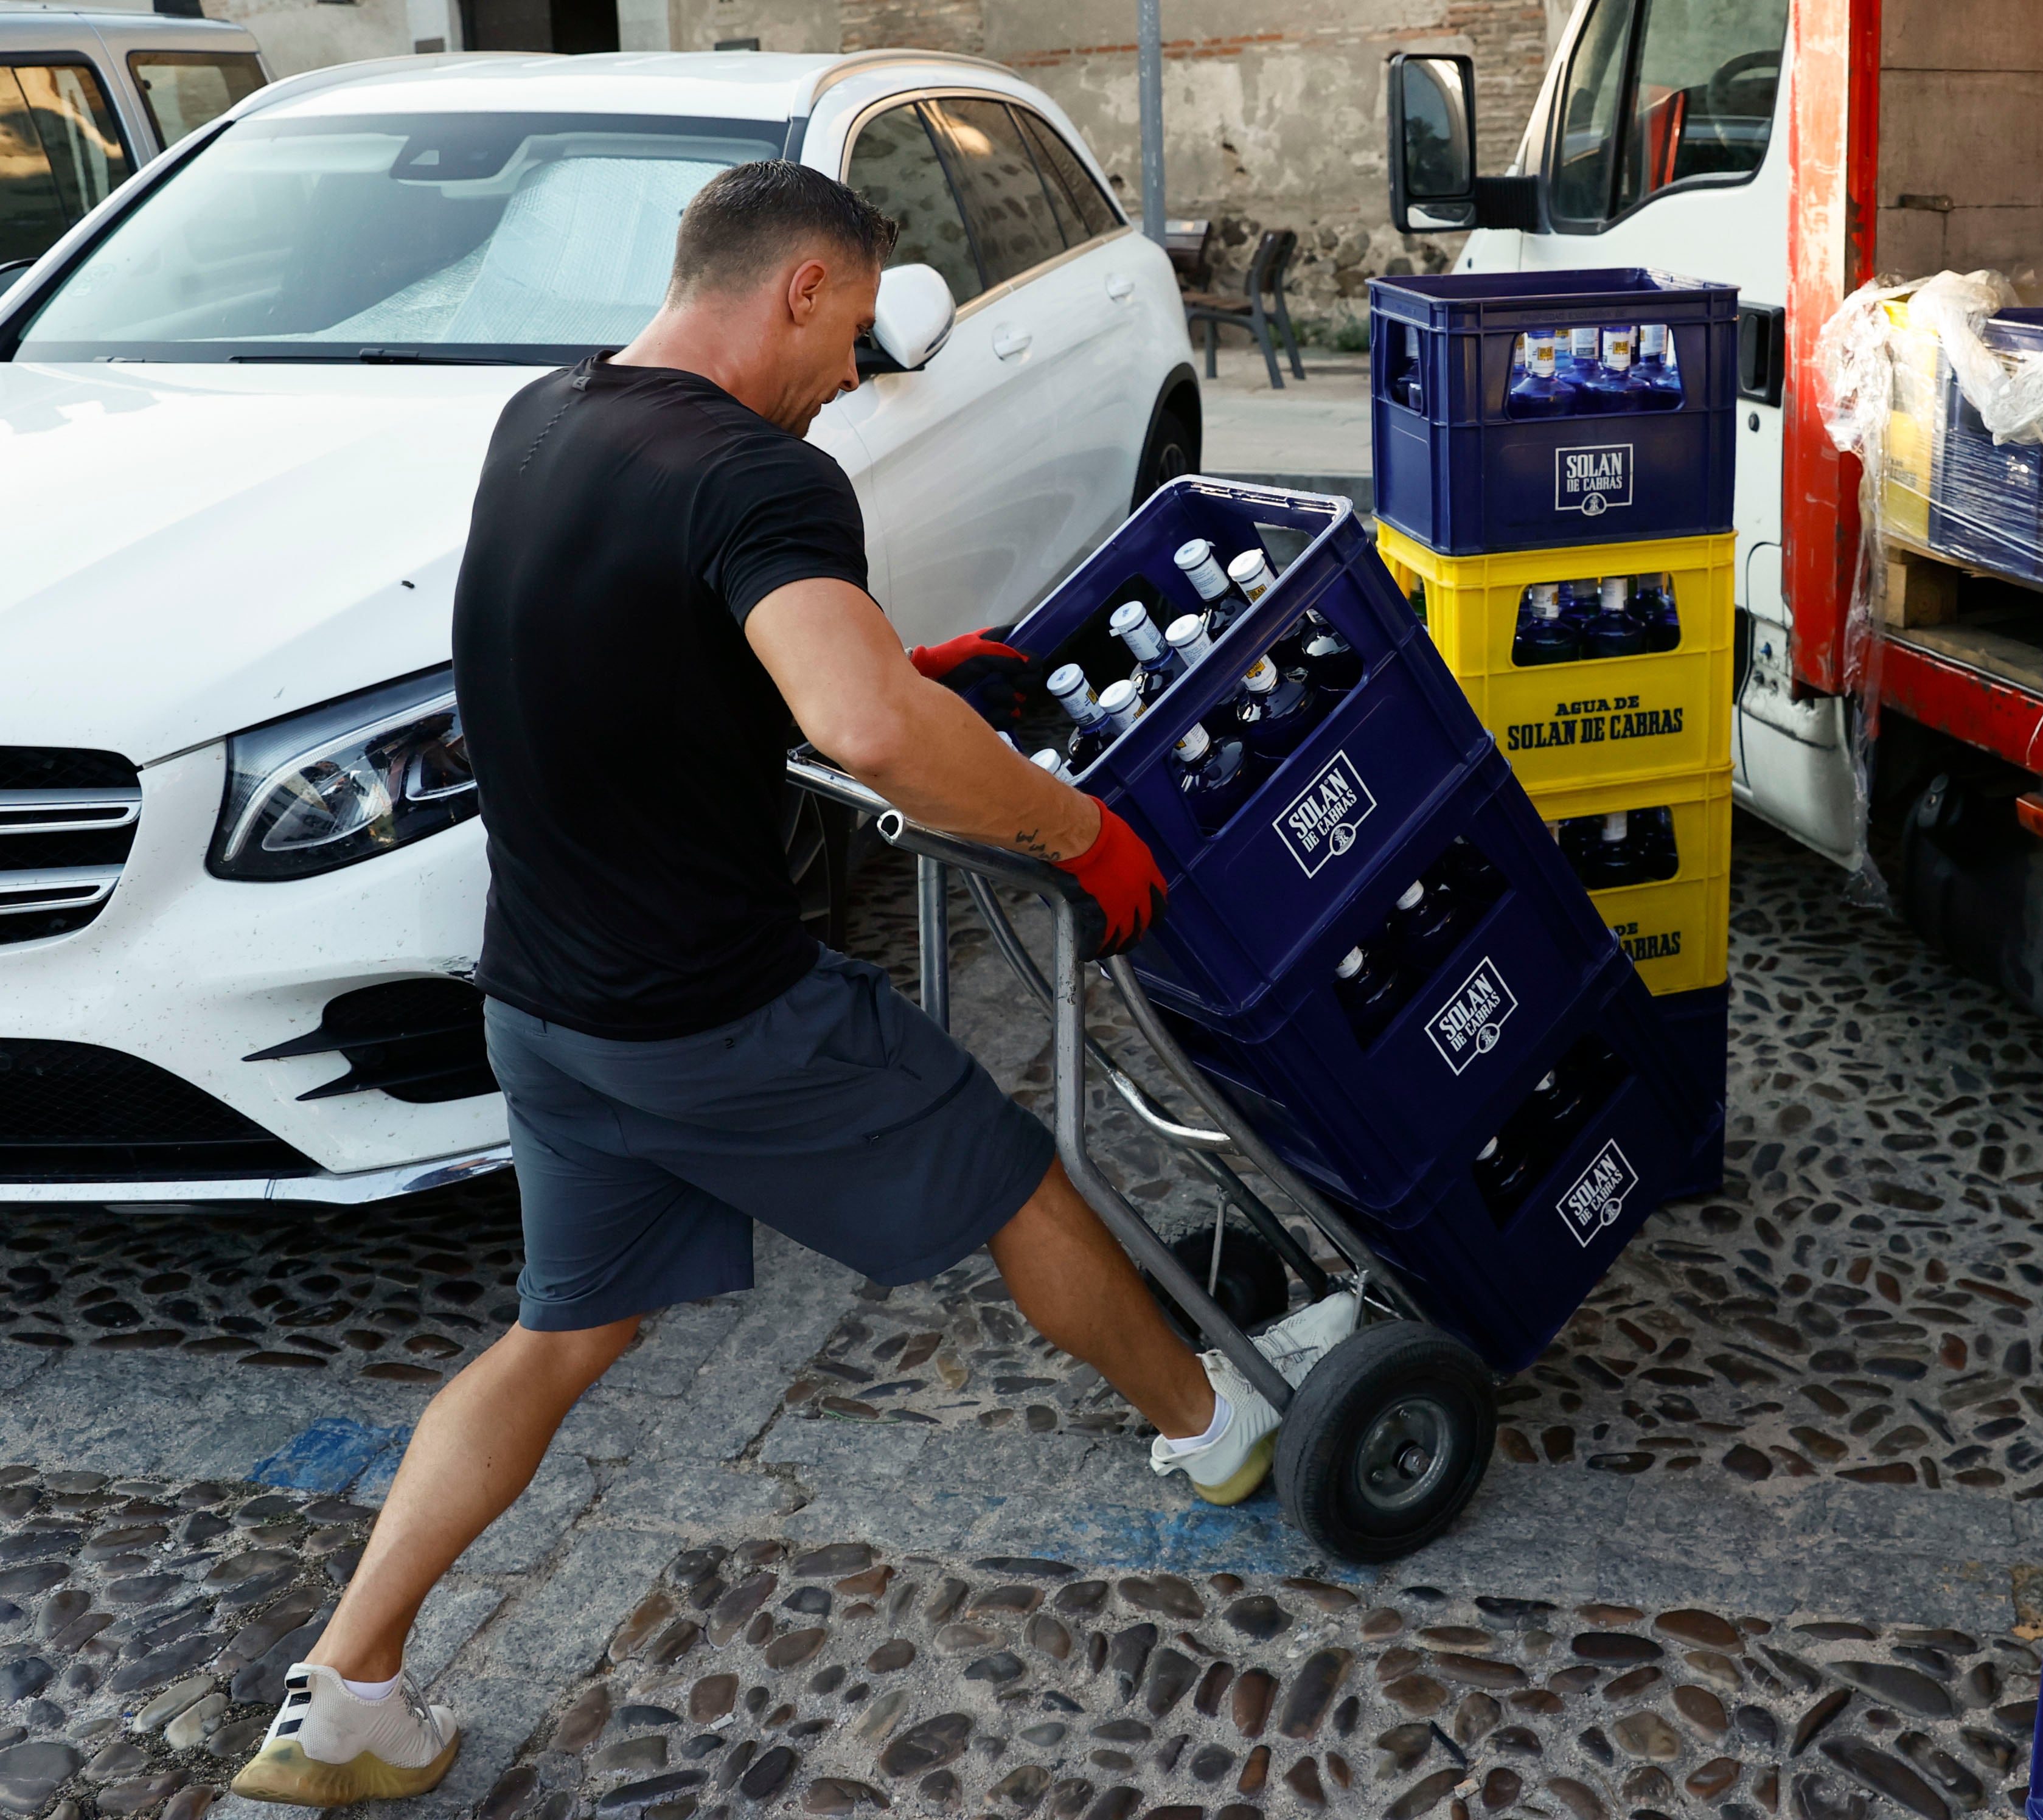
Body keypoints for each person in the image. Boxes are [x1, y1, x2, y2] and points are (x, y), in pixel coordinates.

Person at [229, 161, 1353, 1808]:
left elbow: (647, 651)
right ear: (802, 288)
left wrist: (895, 672)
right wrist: (1072, 825)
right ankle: (1211, 1428)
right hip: (709, 1008)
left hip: (544, 1001)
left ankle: (345, 1694)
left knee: (561, 1331)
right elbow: (870, 734)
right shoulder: (762, 477)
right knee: (1015, 1174)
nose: (852, 384)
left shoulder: (549, 417)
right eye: (850, 344)